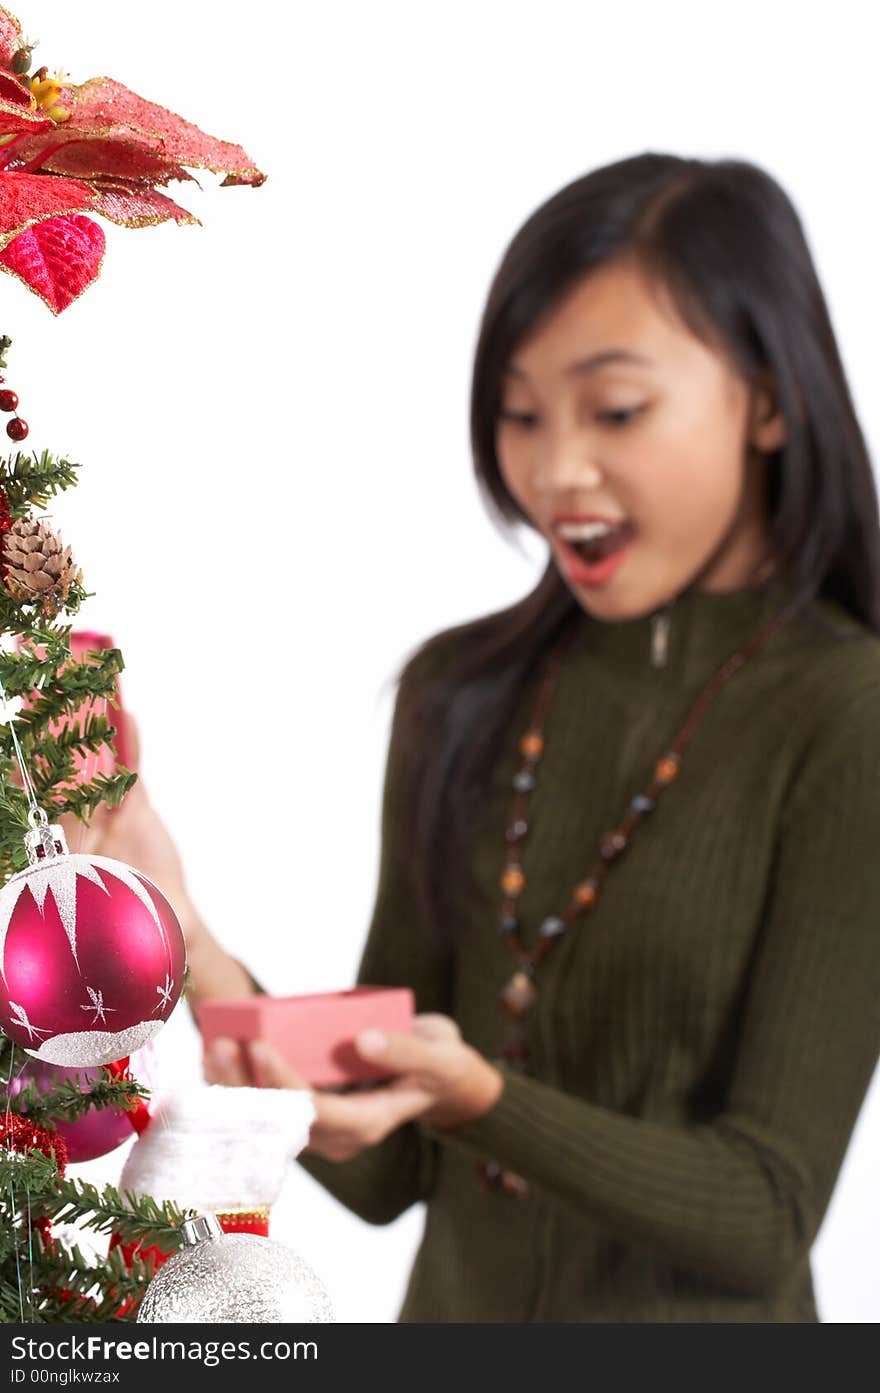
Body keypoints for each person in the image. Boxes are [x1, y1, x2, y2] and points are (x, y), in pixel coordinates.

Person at [80, 152, 880, 1322]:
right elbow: (390, 1164)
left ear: (768, 396)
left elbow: (765, 1215)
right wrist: (188, 941)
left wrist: (481, 1098)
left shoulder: (846, 711)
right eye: (518, 413)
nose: (556, 470)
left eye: (615, 409)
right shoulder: (462, 688)